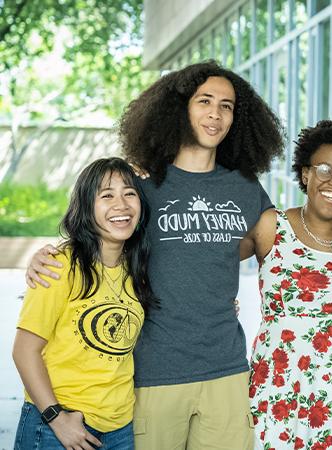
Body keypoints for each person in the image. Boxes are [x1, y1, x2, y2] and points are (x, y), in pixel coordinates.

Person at [24, 60, 284, 449]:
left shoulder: (246, 188)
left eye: (227, 106)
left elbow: (265, 249)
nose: (215, 113)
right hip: (155, 372)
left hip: (226, 369)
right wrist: (46, 255)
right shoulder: (143, 187)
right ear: (179, 110)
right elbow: (100, 228)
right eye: (204, 101)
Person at [239, 120, 332, 449]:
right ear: (305, 174)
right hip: (279, 387)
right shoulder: (270, 226)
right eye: (325, 169)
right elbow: (212, 260)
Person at [13, 158, 155, 450]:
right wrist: (57, 418)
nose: (122, 204)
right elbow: (24, 351)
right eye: (106, 195)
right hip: (57, 425)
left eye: (130, 193)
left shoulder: (138, 270)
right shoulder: (58, 266)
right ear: (86, 207)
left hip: (120, 429)